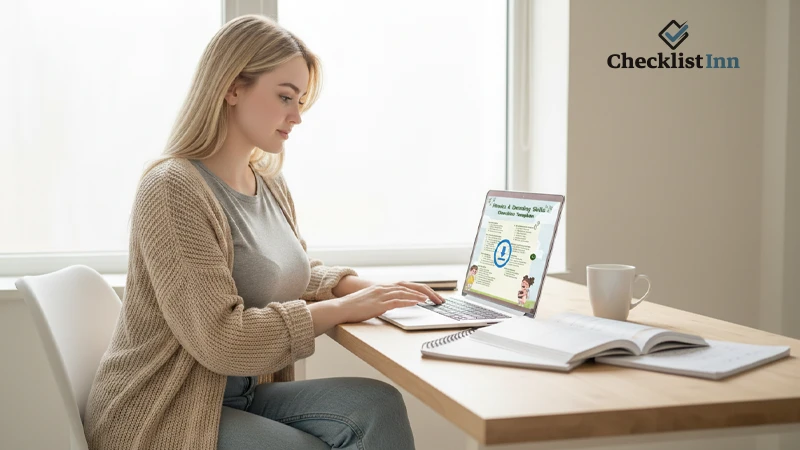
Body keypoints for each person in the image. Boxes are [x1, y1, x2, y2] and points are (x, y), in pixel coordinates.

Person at [83, 15, 444, 450]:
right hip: (164, 410)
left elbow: (287, 270)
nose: (297, 116)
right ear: (233, 88)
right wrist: (345, 308)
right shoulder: (173, 189)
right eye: (286, 97)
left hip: (237, 397)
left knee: (376, 406)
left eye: (302, 101)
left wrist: (372, 291)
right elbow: (222, 339)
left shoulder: (268, 181)